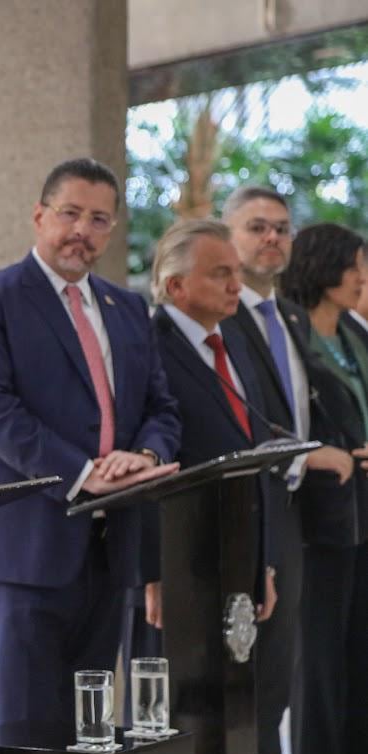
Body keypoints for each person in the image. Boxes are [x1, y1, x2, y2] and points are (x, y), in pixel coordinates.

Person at [0, 158, 181, 728]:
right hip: (25, 552)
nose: (82, 230)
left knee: (91, 736)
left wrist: (143, 457)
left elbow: (162, 408)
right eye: (70, 213)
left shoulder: (128, 308)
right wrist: (81, 473)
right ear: (39, 215)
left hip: (111, 552)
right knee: (26, 736)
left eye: (99, 220)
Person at [222, 186, 349, 754]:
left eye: (281, 228)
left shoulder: (292, 315)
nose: (272, 237)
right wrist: (303, 459)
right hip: (242, 512)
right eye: (256, 227)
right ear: (227, 236)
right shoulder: (222, 318)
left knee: (277, 686)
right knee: (240, 692)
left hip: (297, 516)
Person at [144, 218, 279, 628]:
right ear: (176, 285)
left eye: (237, 272)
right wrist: (152, 570)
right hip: (180, 559)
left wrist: (263, 563)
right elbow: (144, 461)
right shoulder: (147, 344)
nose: (236, 285)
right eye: (221, 274)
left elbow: (252, 443)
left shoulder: (233, 336)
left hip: (240, 553)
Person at [279, 223, 368, 754]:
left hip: (363, 513)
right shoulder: (289, 333)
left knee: (358, 659)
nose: (362, 277)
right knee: (317, 665)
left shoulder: (354, 332)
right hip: (318, 519)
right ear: (322, 266)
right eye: (354, 265)